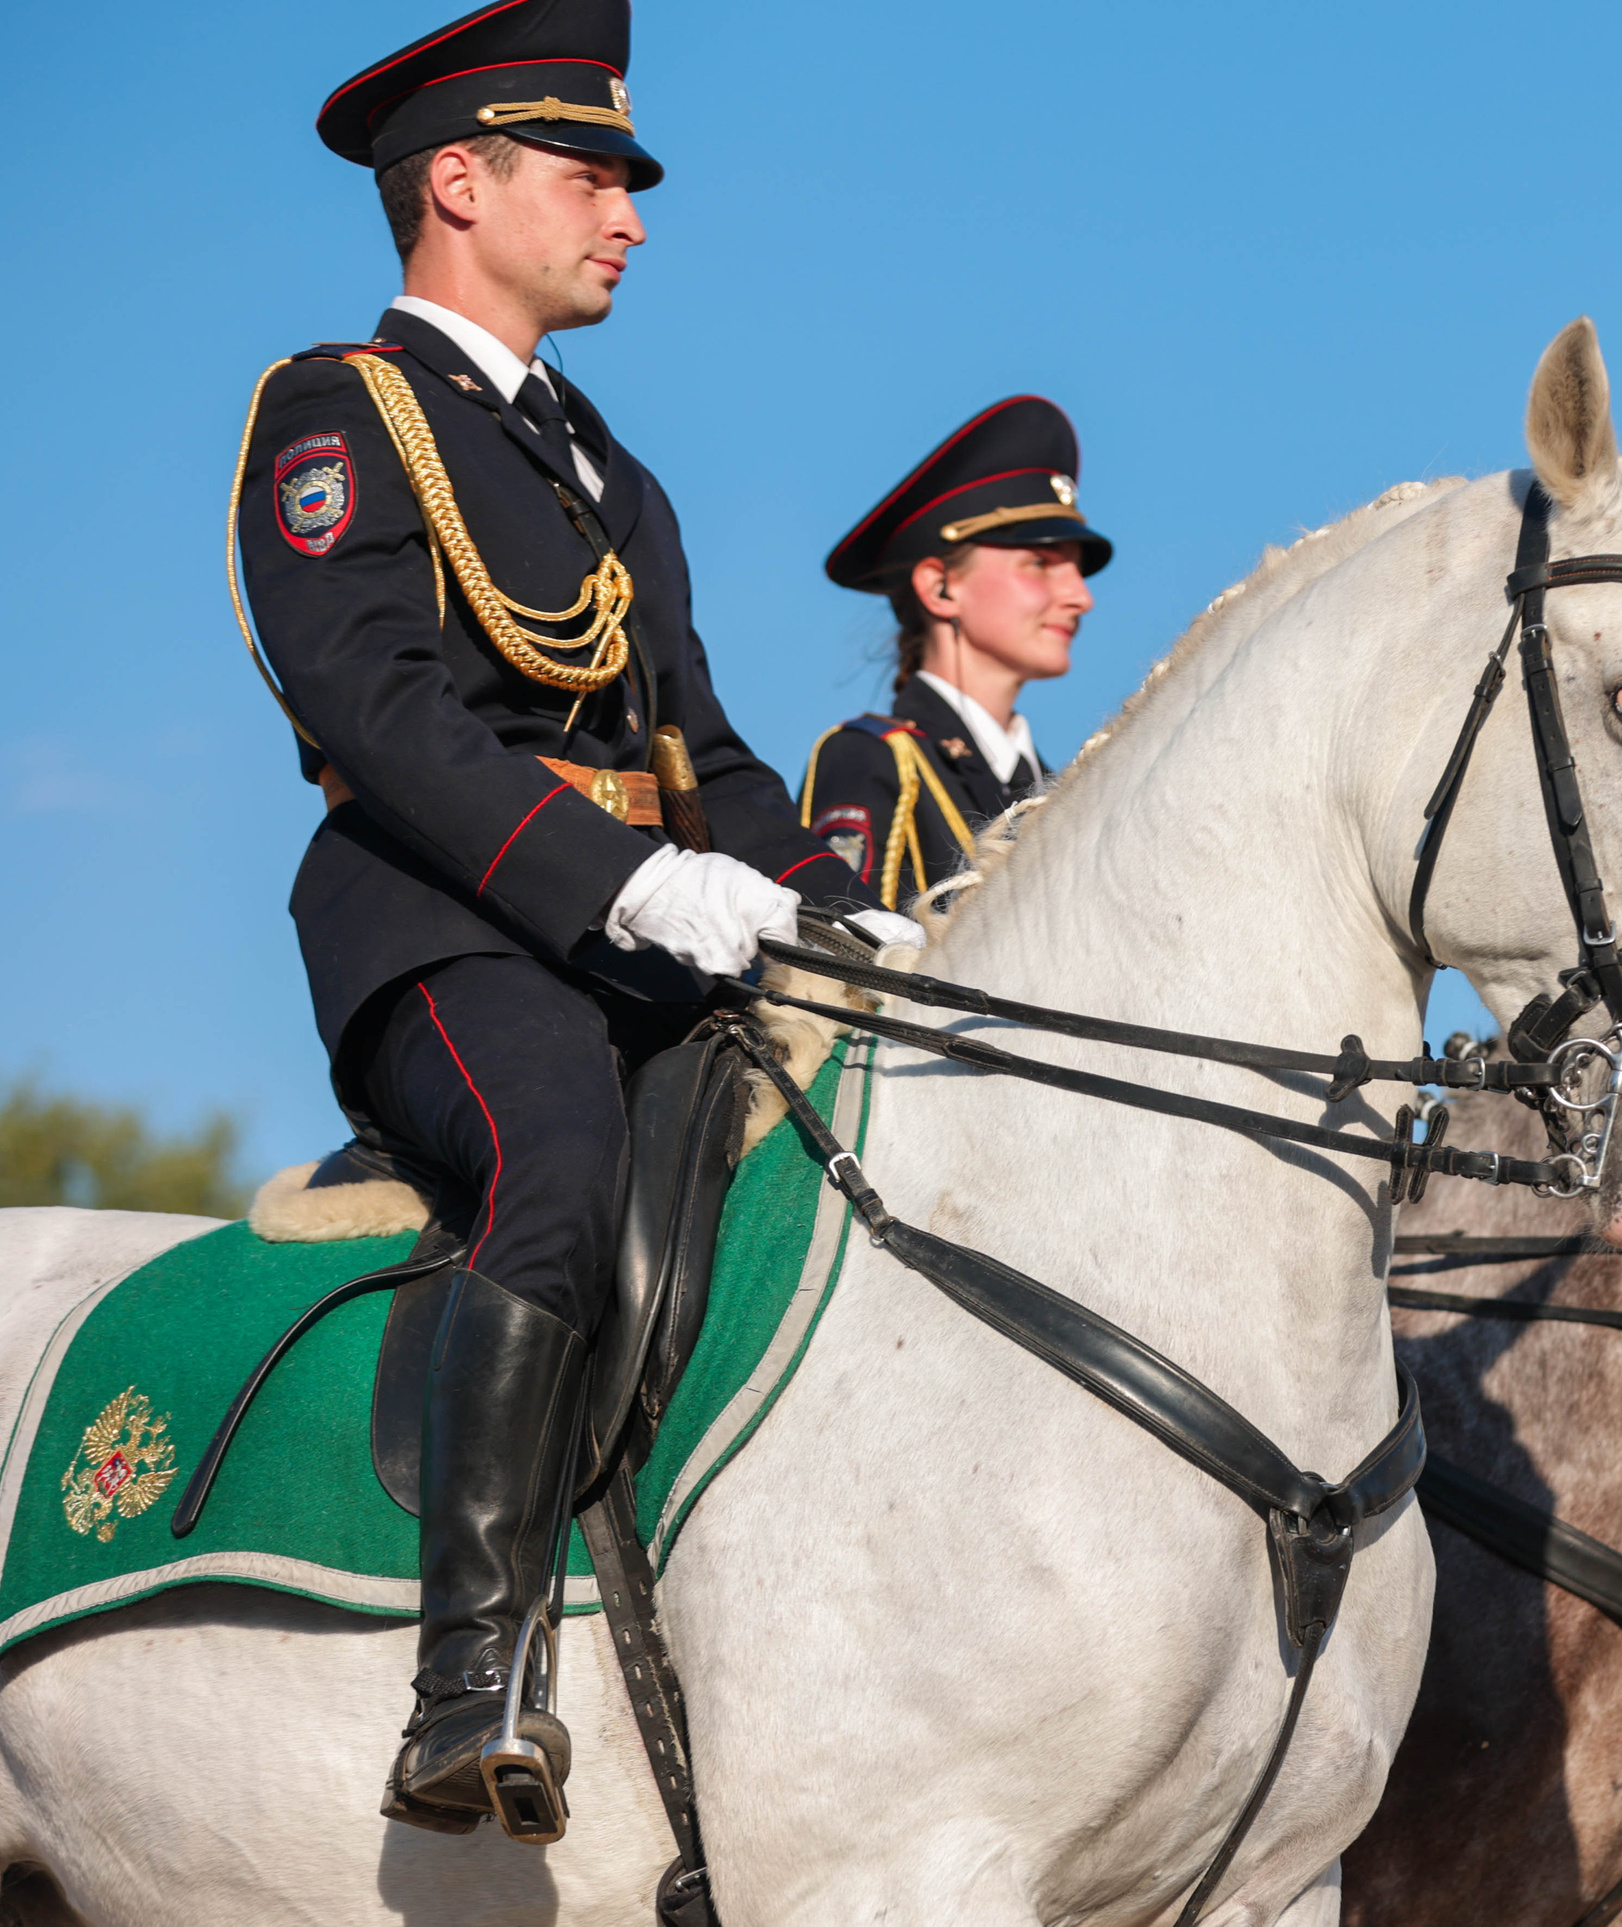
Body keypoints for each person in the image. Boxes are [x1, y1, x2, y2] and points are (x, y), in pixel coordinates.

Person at [234, 0, 857, 1840]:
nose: (632, 216)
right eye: (592, 173)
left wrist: (856, 918)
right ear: (456, 178)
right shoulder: (335, 412)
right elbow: (375, 702)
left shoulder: (614, 474)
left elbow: (715, 765)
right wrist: (621, 878)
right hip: (436, 930)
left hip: (627, 939)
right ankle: (467, 1678)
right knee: (558, 1151)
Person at [798, 396, 1111, 911]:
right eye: (1039, 563)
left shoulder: (1060, 795)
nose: (1081, 596)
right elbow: (848, 980)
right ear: (941, 588)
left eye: (1077, 569)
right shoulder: (876, 760)